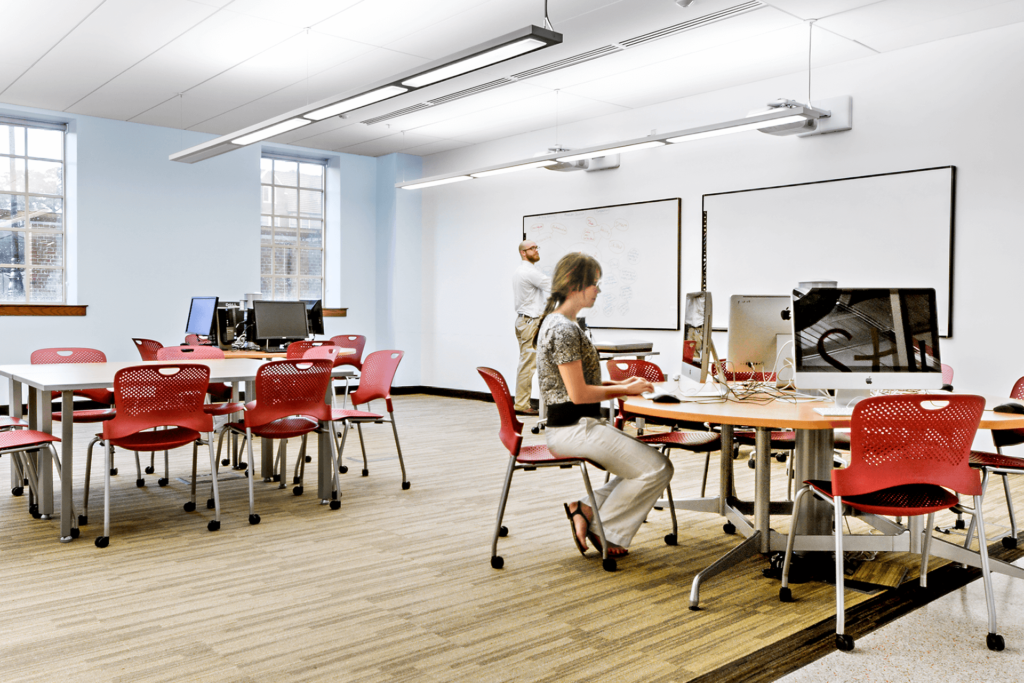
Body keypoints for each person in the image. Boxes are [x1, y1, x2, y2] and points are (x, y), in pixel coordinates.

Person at [535, 252, 674, 558]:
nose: (598, 290)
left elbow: (581, 382)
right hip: (573, 429)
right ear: (576, 285)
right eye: (594, 284)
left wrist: (624, 387)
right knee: (657, 469)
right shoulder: (564, 329)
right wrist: (621, 390)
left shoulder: (560, 323)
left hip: (575, 425)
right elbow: (579, 394)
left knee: (645, 466)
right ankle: (603, 529)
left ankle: (584, 508)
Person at [512, 240, 550, 415]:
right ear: (523, 253)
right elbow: (554, 285)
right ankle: (521, 405)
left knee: (525, 363)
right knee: (528, 365)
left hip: (524, 321)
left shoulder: (523, 271)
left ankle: (521, 403)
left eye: (536, 247)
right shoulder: (528, 272)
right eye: (532, 248)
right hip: (530, 323)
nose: (536, 250)